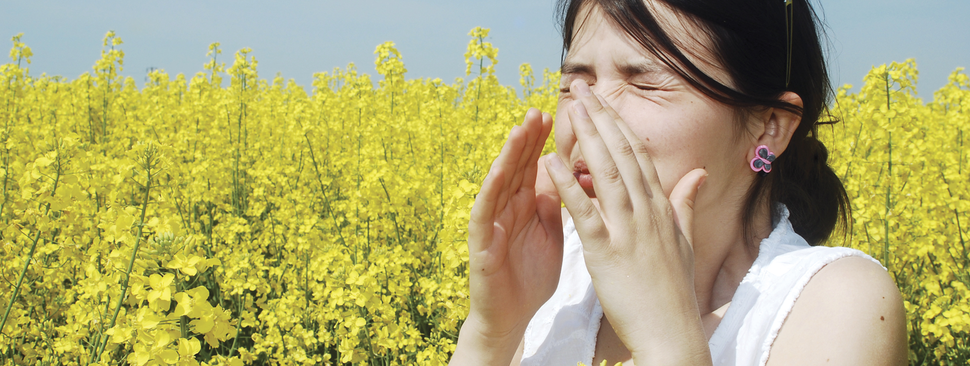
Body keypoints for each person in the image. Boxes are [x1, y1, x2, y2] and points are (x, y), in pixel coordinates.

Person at [449, 0, 908, 364]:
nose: (585, 115)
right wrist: (494, 332)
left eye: (645, 83)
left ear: (769, 127)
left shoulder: (833, 306)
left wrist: (666, 343)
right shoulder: (552, 273)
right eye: (574, 83)